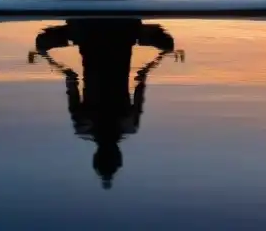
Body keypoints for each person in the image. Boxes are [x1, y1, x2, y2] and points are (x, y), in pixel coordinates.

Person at [28, 19, 181, 189]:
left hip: (106, 35)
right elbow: (71, 78)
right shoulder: (86, 125)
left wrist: (163, 54)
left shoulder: (124, 125)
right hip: (106, 35)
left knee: (167, 43)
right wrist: (45, 55)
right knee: (42, 43)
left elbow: (141, 77)